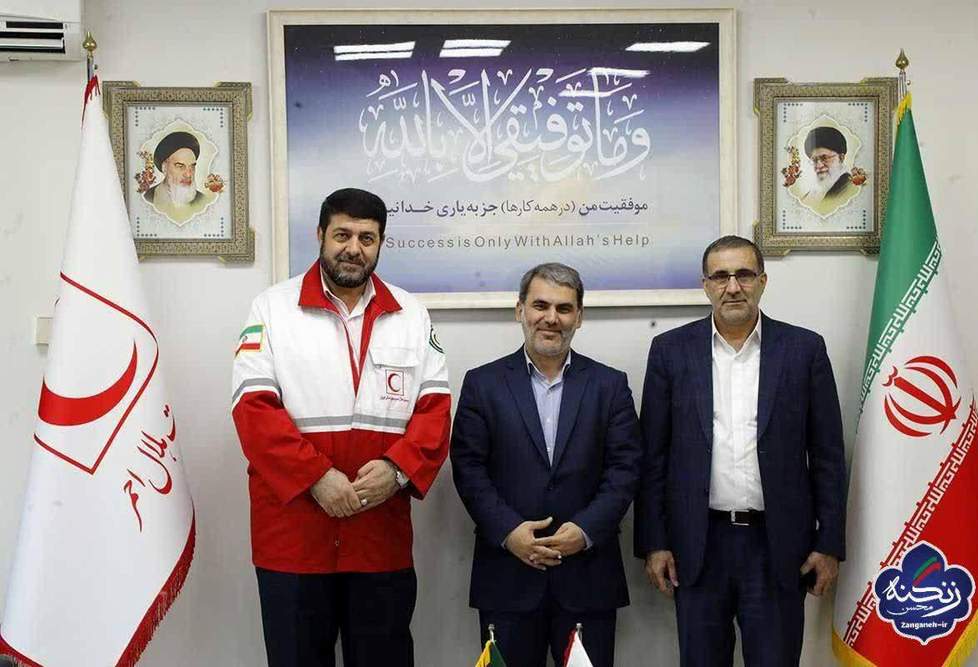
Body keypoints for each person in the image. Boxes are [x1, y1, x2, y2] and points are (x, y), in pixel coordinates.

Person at [231, 187, 451, 667]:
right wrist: (315, 477)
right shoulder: (272, 309)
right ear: (320, 236)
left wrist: (397, 470)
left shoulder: (411, 315)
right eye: (342, 235)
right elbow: (253, 409)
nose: (354, 248)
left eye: (367, 238)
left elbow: (435, 411)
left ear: (381, 243)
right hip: (294, 538)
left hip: (379, 537)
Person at [634, 236, 847, 666]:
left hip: (777, 546)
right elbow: (652, 456)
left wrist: (829, 544)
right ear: (705, 285)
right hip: (698, 545)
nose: (733, 287)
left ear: (762, 282)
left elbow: (827, 455)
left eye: (744, 275)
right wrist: (654, 543)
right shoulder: (671, 351)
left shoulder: (804, 350)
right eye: (720, 276)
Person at [451, 263, 642, 667]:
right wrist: (509, 532)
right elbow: (468, 468)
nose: (551, 318)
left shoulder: (610, 385)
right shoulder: (482, 384)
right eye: (540, 305)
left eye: (564, 308)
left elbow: (625, 470)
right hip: (507, 578)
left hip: (588, 578)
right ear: (519, 310)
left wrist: (585, 531)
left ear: (579, 316)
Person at [143, 130, 215, 223]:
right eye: (180, 166)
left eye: (192, 166)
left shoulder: (202, 200)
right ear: (164, 167)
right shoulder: (148, 198)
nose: (188, 174)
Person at [801, 126, 859, 216]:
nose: (819, 165)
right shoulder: (809, 196)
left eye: (824, 158)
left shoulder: (850, 188)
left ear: (841, 158)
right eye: (814, 160)